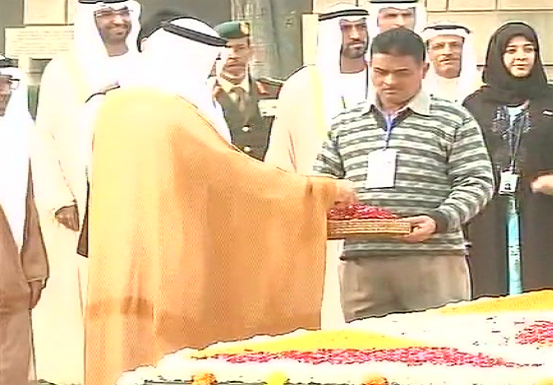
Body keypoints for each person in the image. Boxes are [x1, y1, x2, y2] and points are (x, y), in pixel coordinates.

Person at [83, 17, 356, 385]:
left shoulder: (113, 106)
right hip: (172, 262)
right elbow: (233, 179)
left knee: (124, 358)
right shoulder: (172, 115)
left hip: (119, 264)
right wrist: (315, 192)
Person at [314, 27, 494, 322]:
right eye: (380, 71)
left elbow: (477, 181)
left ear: (424, 70)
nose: (389, 81)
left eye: (402, 73)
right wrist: (332, 196)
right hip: (362, 263)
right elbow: (320, 180)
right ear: (369, 66)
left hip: (433, 259)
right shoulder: (346, 123)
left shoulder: (453, 119)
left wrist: (439, 219)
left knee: (439, 350)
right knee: (366, 352)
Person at [29, 1, 141, 383]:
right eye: (107, 14)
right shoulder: (64, 71)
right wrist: (60, 197)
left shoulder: (148, 65)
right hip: (82, 201)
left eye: (124, 12)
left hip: (139, 196)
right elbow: (43, 138)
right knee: (82, 289)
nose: (118, 21)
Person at [462, 21, 553, 298]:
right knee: (489, 292)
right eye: (511, 50)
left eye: (528, 49)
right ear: (497, 56)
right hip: (489, 217)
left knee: (547, 294)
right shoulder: (475, 105)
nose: (521, 56)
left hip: (543, 215)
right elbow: (462, 160)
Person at [264, 2, 370, 328]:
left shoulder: (384, 79)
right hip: (319, 217)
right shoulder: (301, 86)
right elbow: (281, 158)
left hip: (379, 216)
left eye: (360, 27)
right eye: (345, 28)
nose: (355, 35)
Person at [0, 55, 49, 385]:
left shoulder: (21, 135)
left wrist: (34, 266)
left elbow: (34, 205)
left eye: (7, 83)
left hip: (12, 272)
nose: (4, 92)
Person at [212, 21, 283, 160]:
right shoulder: (205, 96)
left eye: (240, 48)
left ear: (251, 51)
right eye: (226, 48)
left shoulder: (277, 92)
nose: (233, 55)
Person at [421, 22, 480, 104]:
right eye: (438, 46)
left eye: (455, 45)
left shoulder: (482, 85)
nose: (448, 52)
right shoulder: (417, 88)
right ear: (428, 52)